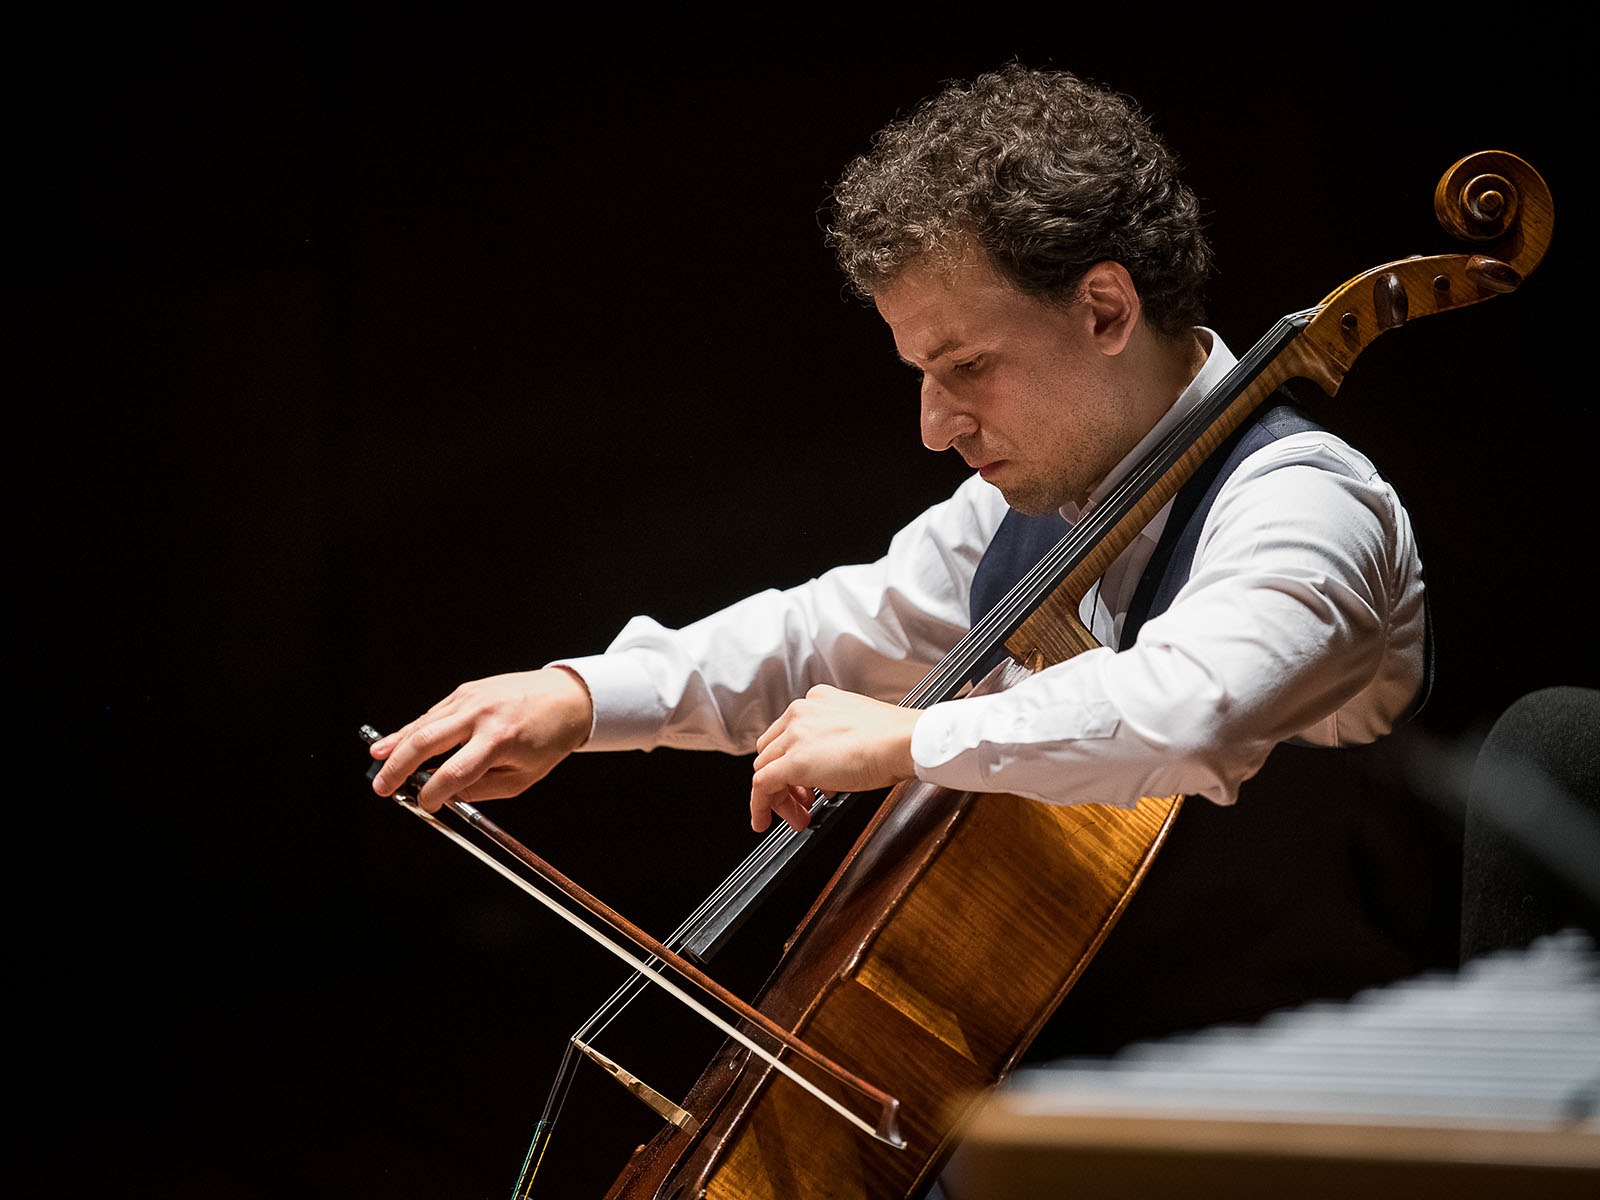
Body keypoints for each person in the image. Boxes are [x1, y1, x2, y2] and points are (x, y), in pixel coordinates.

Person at [369, 59, 1458, 1172]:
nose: (936, 425)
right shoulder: (1034, 501)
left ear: (1104, 308)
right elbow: (830, 631)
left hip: (1289, 1129)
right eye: (920, 372)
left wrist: (912, 739)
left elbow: (1191, 709)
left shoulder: (1306, 502)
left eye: (967, 366)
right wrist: (582, 697)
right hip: (1062, 1108)